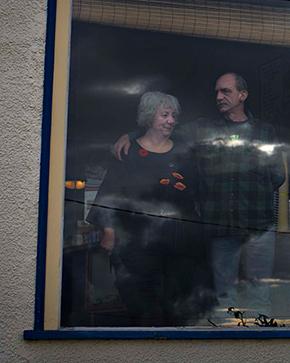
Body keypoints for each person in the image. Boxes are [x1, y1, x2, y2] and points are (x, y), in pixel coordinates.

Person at [113, 73, 285, 325]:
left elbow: (277, 175)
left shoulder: (264, 131)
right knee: (224, 298)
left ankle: (259, 352)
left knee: (260, 295)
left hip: (258, 225)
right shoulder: (202, 128)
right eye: (216, 92)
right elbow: (162, 129)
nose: (218, 97)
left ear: (242, 95)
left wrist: (251, 196)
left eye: (225, 91)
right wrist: (131, 134)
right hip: (220, 227)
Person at [88, 91, 207, 326]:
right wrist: (109, 231)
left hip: (180, 242)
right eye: (164, 115)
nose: (171, 120)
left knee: (177, 308)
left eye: (173, 115)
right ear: (149, 117)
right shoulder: (128, 152)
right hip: (137, 242)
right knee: (143, 308)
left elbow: (198, 193)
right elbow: (112, 193)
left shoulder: (184, 152)